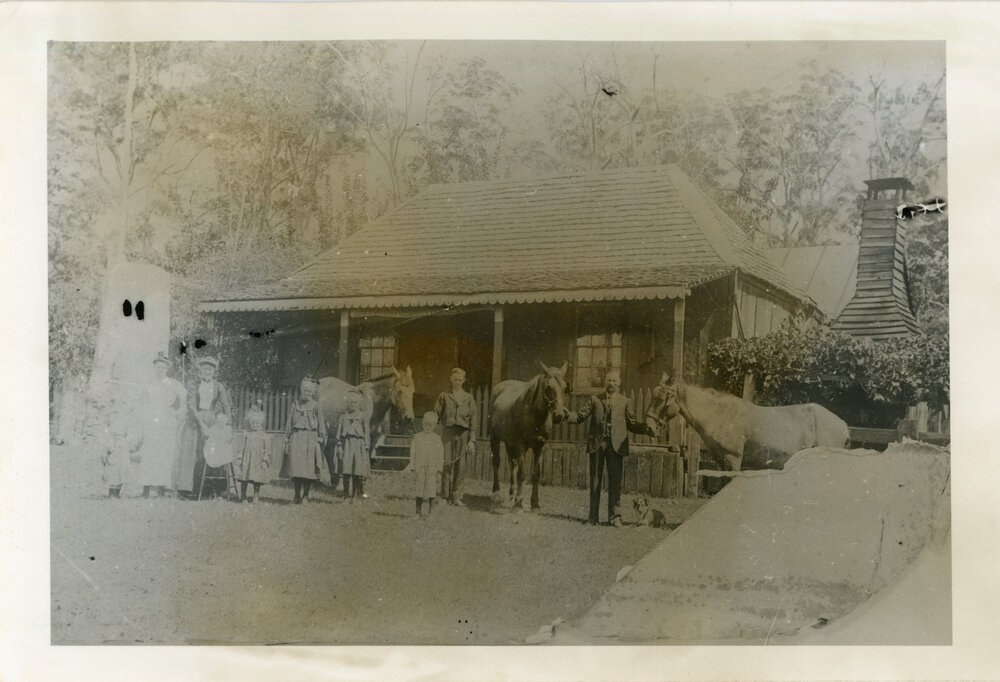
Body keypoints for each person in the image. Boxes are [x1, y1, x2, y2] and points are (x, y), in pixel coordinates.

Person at [565, 369, 655, 527]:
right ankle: (593, 518)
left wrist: (647, 428)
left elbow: (632, 424)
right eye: (608, 381)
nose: (611, 384)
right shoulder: (594, 400)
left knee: (615, 482)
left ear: (619, 383)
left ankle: (615, 518)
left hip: (616, 446)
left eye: (614, 381)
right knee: (595, 481)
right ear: (604, 383)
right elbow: (579, 416)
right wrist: (565, 415)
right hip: (597, 445)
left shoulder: (625, 401)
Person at [176, 355, 232, 499]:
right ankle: (188, 490)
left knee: (213, 453)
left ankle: (211, 489)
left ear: (214, 372)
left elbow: (226, 405)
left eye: (210, 370)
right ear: (200, 371)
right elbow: (191, 406)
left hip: (212, 419)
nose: (207, 372)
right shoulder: (194, 385)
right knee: (191, 453)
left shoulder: (219, 386)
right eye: (205, 369)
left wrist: (228, 425)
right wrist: (201, 424)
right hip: (194, 420)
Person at [138, 353, 186, 498]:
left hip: (167, 421)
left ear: (167, 369)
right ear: (155, 368)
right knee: (149, 453)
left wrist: (177, 413)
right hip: (152, 421)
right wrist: (145, 415)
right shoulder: (148, 383)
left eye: (163, 367)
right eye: (158, 367)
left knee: (164, 454)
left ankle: (162, 488)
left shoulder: (173, 384)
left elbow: (183, 400)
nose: (160, 369)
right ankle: (146, 488)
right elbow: (142, 402)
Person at [434, 367, 477, 506]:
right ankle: (444, 496)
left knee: (461, 465)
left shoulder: (468, 398)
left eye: (460, 380)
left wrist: (472, 440)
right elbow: (436, 415)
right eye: (455, 379)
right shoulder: (444, 396)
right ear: (451, 379)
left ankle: (457, 496)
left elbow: (473, 419)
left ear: (463, 381)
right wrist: (433, 435)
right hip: (447, 433)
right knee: (446, 462)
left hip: (463, 434)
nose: (457, 382)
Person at [282, 376, 326, 504]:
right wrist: (286, 438)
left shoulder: (316, 406)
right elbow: (289, 423)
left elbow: (321, 425)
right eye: (305, 391)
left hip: (310, 439)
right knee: (296, 469)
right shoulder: (295, 405)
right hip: (296, 438)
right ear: (301, 390)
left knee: (308, 470)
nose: (307, 393)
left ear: (313, 392)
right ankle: (296, 495)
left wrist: (320, 438)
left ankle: (305, 496)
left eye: (309, 391)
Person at [335, 390, 371, 502]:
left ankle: (354, 496)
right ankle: (346, 495)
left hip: (359, 445)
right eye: (351, 402)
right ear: (347, 403)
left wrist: (366, 445)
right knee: (346, 470)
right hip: (347, 444)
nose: (353, 405)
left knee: (356, 470)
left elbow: (366, 432)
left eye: (355, 403)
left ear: (359, 403)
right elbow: (339, 432)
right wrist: (339, 445)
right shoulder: (343, 416)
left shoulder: (363, 416)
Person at [235, 400, 272, 503]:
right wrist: (239, 458)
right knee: (244, 478)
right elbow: (241, 447)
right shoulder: (247, 434)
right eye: (253, 423)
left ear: (261, 423)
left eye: (258, 423)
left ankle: (256, 495)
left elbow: (268, 450)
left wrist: (265, 460)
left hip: (258, 460)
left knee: (257, 478)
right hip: (247, 460)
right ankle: (243, 495)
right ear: (250, 423)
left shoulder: (264, 436)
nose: (255, 425)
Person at [410, 411, 444, 519]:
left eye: (430, 425)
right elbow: (413, 453)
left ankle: (431, 513)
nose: (427, 427)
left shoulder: (437, 439)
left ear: (434, 426)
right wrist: (412, 467)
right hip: (420, 466)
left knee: (431, 489)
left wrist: (439, 470)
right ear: (422, 423)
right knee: (419, 489)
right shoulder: (417, 437)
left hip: (432, 468)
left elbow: (440, 456)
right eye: (426, 424)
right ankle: (417, 512)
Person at [101, 407, 141, 498]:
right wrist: (108, 448)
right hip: (113, 450)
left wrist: (126, 445)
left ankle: (117, 493)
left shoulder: (128, 425)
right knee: (113, 472)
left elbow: (130, 436)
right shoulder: (110, 428)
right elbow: (107, 438)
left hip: (122, 449)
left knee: (121, 471)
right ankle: (111, 493)